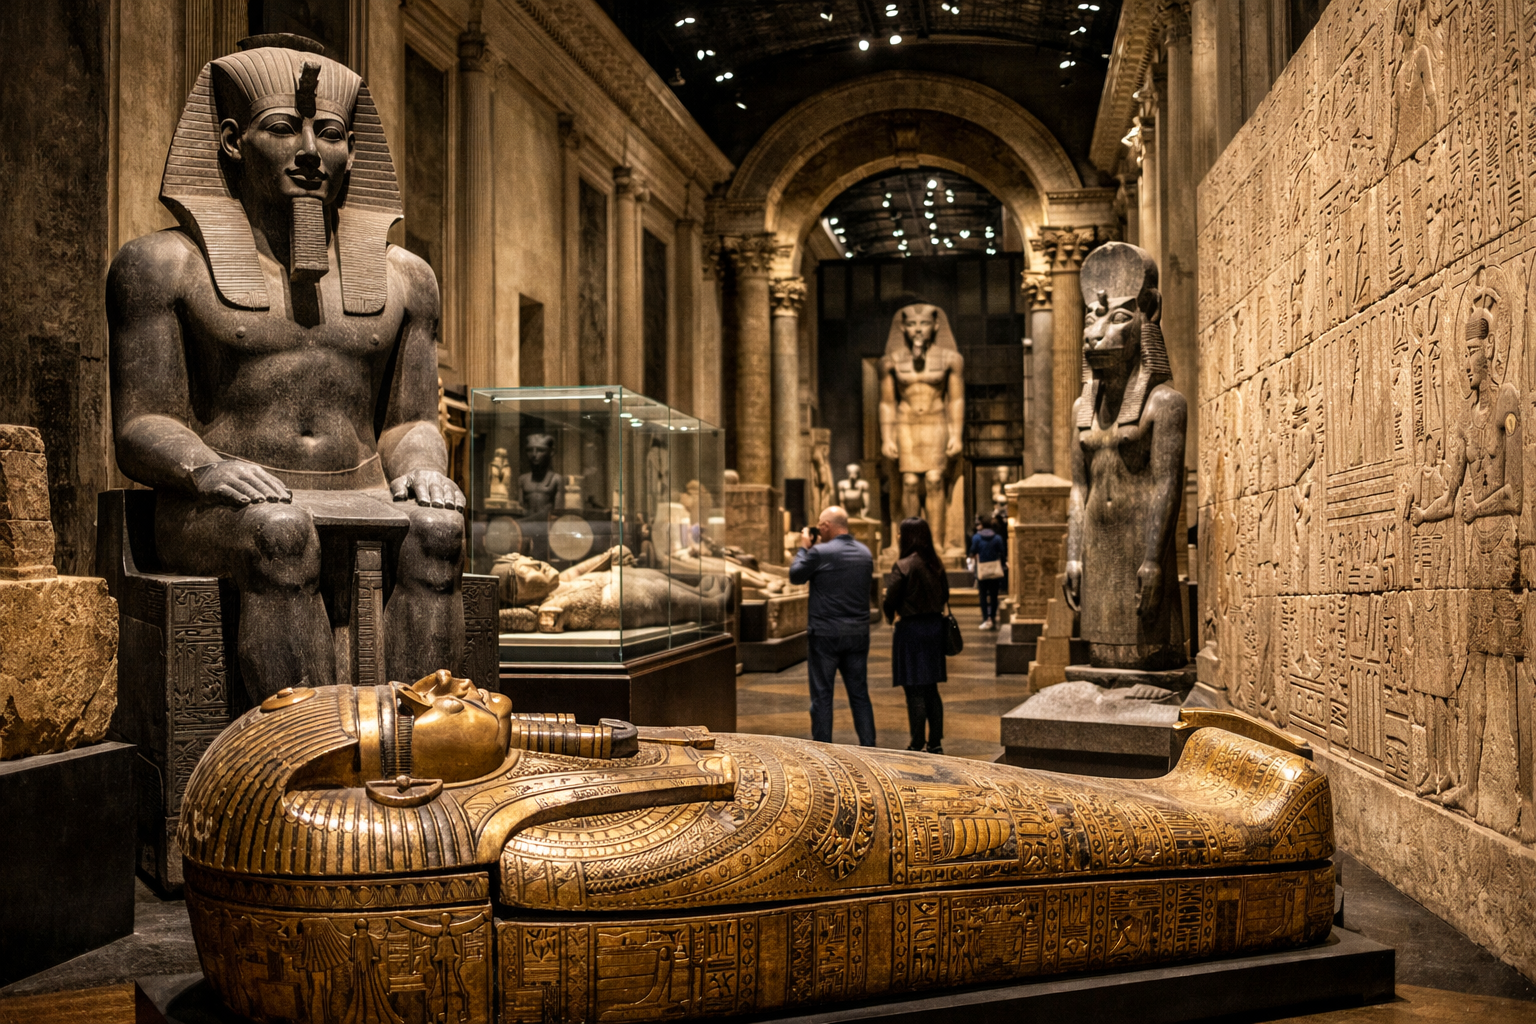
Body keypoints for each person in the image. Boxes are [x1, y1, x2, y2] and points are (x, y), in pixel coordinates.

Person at [790, 506, 876, 746]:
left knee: (822, 696)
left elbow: (796, 575)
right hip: (858, 633)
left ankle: (824, 750)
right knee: (859, 696)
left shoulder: (819, 552)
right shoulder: (865, 553)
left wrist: (803, 547)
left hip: (825, 635)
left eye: (820, 525)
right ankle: (870, 748)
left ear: (826, 526)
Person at [883, 517, 951, 753]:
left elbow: (890, 598)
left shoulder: (903, 565)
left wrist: (891, 614)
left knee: (914, 689)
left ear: (909, 537)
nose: (899, 537)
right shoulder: (936, 564)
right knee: (931, 688)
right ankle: (935, 742)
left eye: (901, 533)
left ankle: (916, 741)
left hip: (911, 632)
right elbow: (945, 596)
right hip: (933, 629)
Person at [969, 512, 1008, 630]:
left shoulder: (976, 537)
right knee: (994, 595)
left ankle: (986, 619)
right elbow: (1002, 552)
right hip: (995, 570)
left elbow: (972, 551)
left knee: (983, 595)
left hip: (982, 570)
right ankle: (993, 618)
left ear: (981, 524)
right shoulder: (997, 538)